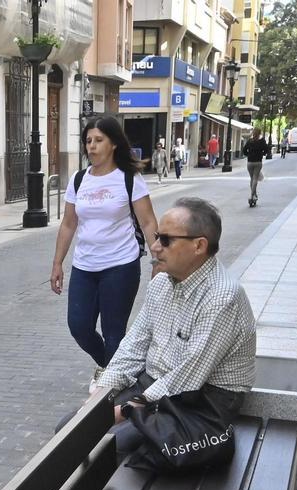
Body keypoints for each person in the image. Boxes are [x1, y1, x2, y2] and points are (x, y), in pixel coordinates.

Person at [81, 197, 257, 459]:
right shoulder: (162, 283)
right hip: (154, 386)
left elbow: (187, 378)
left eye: (165, 240)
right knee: (71, 430)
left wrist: (124, 410)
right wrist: (101, 393)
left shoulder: (222, 297)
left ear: (199, 246)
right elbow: (133, 346)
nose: (154, 247)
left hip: (201, 402)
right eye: (155, 237)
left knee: (102, 447)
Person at [52, 115, 158, 390]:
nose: (92, 146)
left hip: (120, 265)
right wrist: (57, 264)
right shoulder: (78, 180)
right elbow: (68, 224)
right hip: (84, 266)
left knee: (114, 333)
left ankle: (111, 391)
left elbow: (147, 221)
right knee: (79, 326)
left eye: (99, 140)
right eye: (88, 141)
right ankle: (114, 369)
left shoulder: (128, 179)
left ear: (113, 144)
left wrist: (159, 260)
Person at [242, 129, 270, 207]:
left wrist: (249, 155)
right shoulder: (262, 141)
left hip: (250, 162)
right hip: (258, 162)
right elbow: (266, 150)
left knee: (252, 178)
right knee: (255, 178)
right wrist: (262, 154)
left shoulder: (250, 141)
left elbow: (244, 150)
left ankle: (253, 194)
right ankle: (252, 194)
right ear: (259, 133)